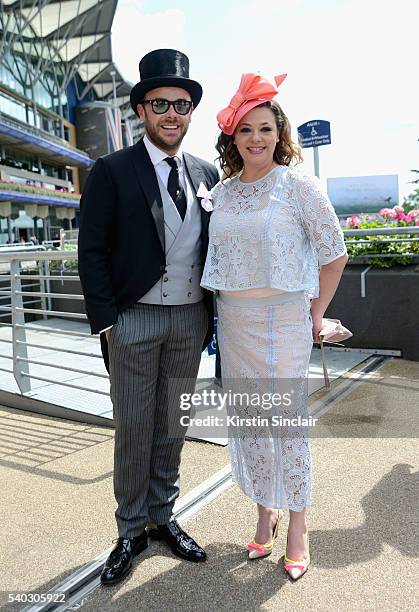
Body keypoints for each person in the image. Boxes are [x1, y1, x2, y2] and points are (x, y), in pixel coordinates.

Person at [78, 49, 219, 586]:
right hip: (132, 319)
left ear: (189, 112)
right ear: (141, 109)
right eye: (159, 103)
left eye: (181, 104)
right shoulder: (111, 170)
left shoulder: (207, 172)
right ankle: (129, 530)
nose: (171, 114)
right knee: (133, 429)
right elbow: (90, 250)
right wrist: (108, 321)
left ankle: (164, 517)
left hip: (189, 320)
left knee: (172, 427)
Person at [201, 73, 348, 580]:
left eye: (265, 128)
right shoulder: (220, 193)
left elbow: (334, 254)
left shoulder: (297, 184)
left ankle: (298, 526)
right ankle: (265, 513)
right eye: (246, 130)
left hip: (284, 321)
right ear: (233, 138)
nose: (256, 138)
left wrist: (314, 312)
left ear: (278, 133)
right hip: (234, 323)